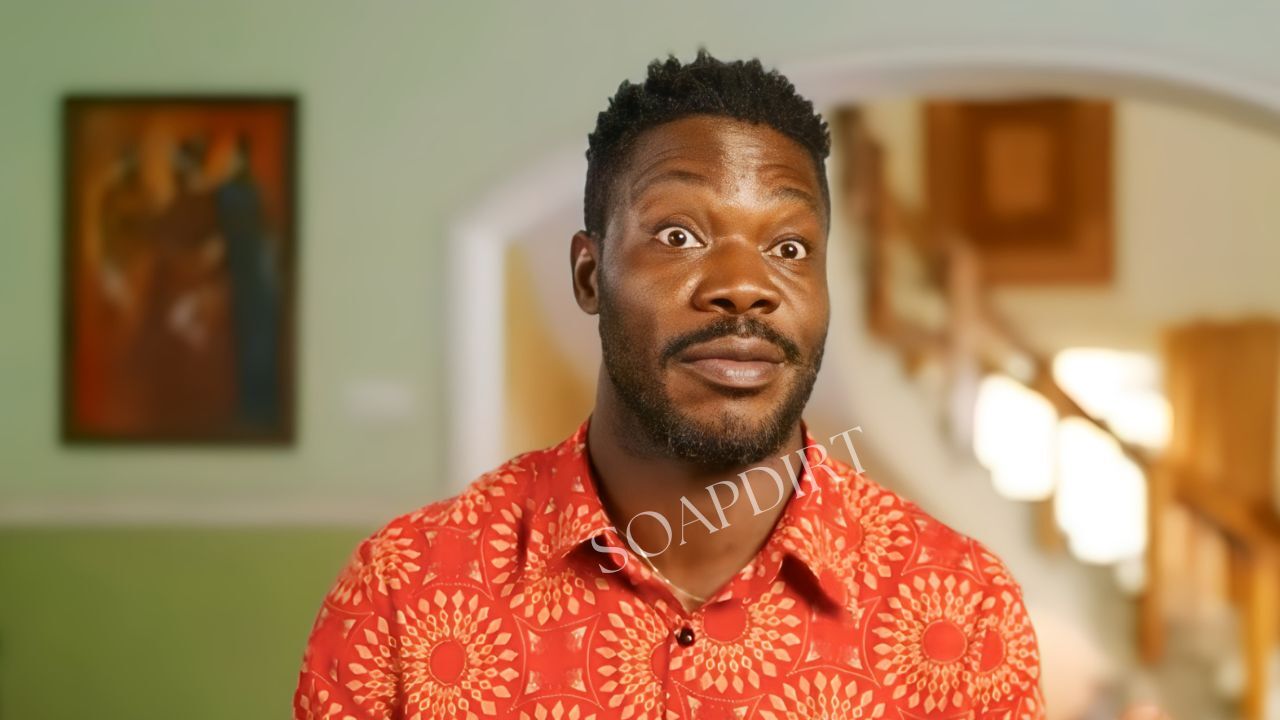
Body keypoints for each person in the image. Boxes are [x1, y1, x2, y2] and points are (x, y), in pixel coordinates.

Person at [294, 50, 1046, 719]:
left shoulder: (962, 613)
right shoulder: (403, 593)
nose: (745, 286)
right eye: (678, 235)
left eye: (789, 246)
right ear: (590, 275)